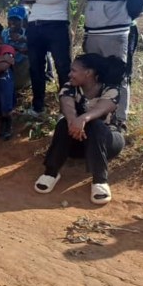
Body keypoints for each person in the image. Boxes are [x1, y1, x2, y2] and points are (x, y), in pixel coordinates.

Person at [34, 54, 126, 205]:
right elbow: (67, 105)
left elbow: (104, 107)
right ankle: (51, 173)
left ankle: (100, 180)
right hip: (77, 142)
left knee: (96, 125)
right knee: (63, 123)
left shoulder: (110, 89)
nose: (70, 74)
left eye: (74, 71)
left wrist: (83, 119)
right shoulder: (70, 87)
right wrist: (73, 121)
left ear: (88, 73)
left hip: (107, 142)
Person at [83, 0, 143, 130]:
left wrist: (119, 19)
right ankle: (98, 113)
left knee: (118, 74)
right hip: (93, 32)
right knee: (96, 74)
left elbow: (136, 4)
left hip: (115, 33)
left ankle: (119, 119)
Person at [21, 0, 78, 117]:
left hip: (57, 26)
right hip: (34, 25)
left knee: (63, 68)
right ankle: (38, 107)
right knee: (35, 68)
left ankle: (66, 110)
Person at [1, 5, 30, 90]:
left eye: (17, 20)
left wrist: (24, 40)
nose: (13, 22)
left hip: (23, 68)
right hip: (8, 67)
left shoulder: (29, 34)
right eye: (11, 19)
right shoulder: (4, 33)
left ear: (24, 21)